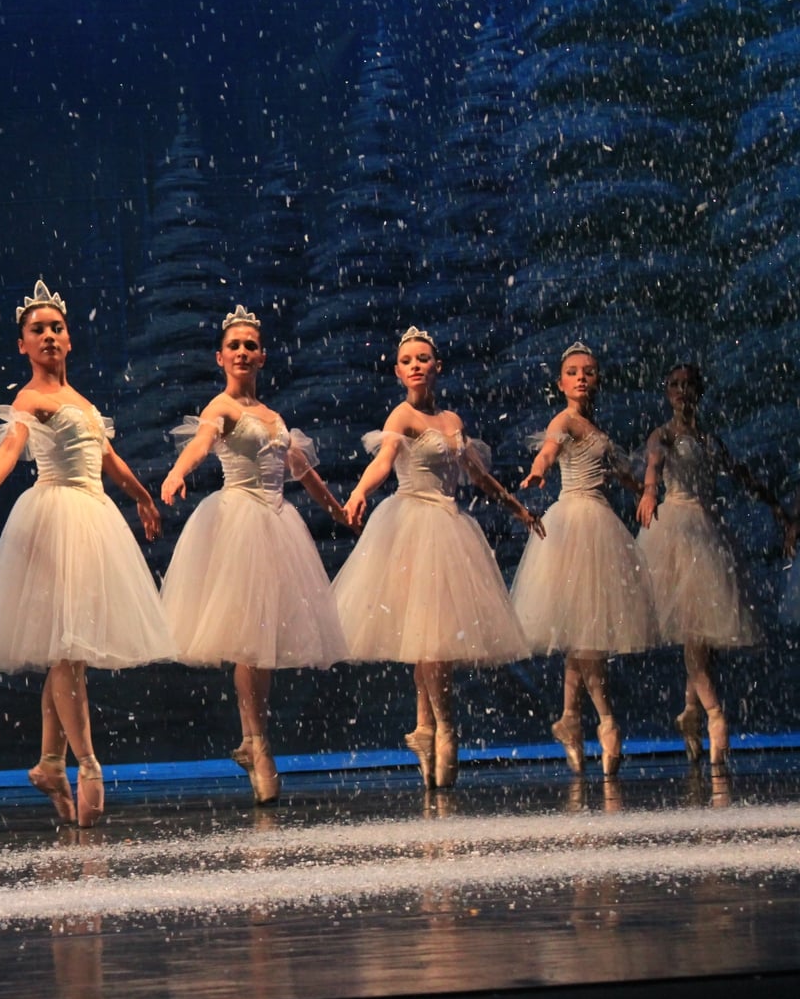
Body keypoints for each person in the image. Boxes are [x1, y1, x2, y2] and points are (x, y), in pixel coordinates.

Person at [0, 280, 174, 828]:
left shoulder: (84, 404)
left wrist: (143, 496)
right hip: (55, 518)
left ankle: (51, 761)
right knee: (68, 648)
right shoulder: (33, 399)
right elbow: (10, 446)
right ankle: (87, 762)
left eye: (56, 328)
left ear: (69, 340)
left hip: (92, 515)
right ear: (23, 346)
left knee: (66, 648)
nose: (48, 336)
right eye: (37, 330)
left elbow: (108, 457)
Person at [333, 327, 541, 789]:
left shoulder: (451, 421)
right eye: (407, 359)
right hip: (410, 524)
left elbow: (479, 477)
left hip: (448, 526)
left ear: (437, 366)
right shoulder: (402, 415)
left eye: (423, 358)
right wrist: (360, 492)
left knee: (431, 638)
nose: (415, 366)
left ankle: (429, 725)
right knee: (426, 639)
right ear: (397, 370)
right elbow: (384, 461)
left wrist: (519, 510)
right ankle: (442, 727)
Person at [159, 305, 349, 804]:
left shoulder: (274, 417)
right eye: (234, 345)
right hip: (239, 521)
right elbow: (201, 444)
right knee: (249, 640)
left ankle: (252, 739)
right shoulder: (221, 409)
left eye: (250, 345)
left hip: (277, 520)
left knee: (262, 640)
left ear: (261, 356)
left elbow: (301, 469)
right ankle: (258, 743)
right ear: (220, 356)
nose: (242, 352)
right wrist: (179, 473)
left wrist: (337, 509)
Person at [510, 343, 657, 776]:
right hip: (574, 523)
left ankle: (570, 720)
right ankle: (606, 720)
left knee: (582, 633)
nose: (580, 378)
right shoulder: (566, 420)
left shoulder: (597, 429)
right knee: (586, 636)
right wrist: (539, 468)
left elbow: (620, 471)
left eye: (588, 372)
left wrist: (646, 491)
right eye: (572, 372)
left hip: (599, 524)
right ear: (560, 383)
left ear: (597, 380)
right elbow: (550, 448)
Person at [635, 362, 788, 769]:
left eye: (688, 385)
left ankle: (690, 712)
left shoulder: (708, 440)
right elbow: (652, 465)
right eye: (675, 385)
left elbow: (740, 475)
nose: (682, 391)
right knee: (692, 630)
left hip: (706, 532)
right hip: (677, 530)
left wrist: (776, 508)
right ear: (667, 392)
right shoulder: (663, 435)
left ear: (699, 391)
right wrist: (650, 493)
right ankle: (714, 716)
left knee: (701, 635)